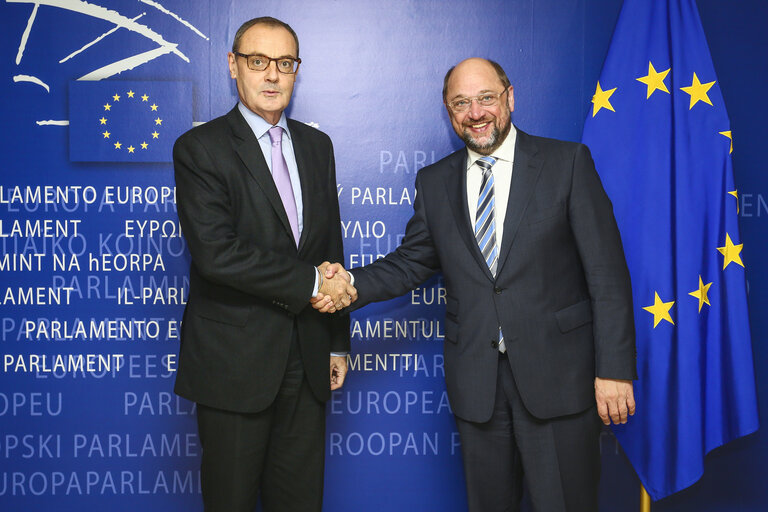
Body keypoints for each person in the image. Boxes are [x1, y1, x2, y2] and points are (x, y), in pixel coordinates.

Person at [315, 58, 637, 511]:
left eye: (486, 98)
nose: (475, 112)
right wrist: (348, 283)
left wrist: (615, 370)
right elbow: (410, 263)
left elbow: (607, 273)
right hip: (478, 389)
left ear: (509, 97)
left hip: (560, 381)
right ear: (449, 113)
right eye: (460, 103)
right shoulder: (435, 182)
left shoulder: (567, 163)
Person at [173, 16, 356, 512]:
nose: (272, 75)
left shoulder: (318, 147)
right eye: (258, 62)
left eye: (285, 64)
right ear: (234, 66)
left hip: (309, 357)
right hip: (234, 365)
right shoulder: (200, 149)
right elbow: (217, 254)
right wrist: (312, 281)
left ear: (297, 71)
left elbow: (329, 248)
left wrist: (337, 342)